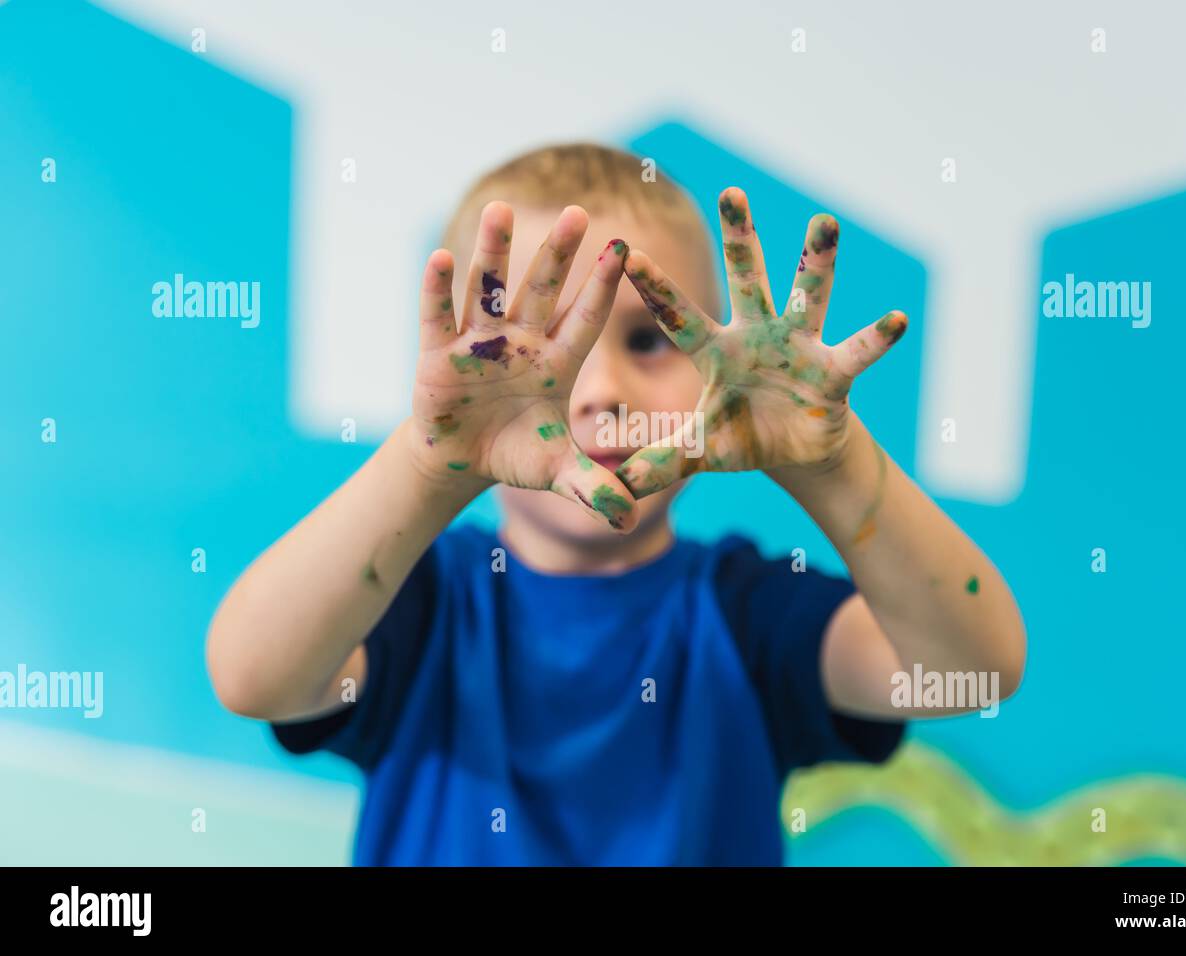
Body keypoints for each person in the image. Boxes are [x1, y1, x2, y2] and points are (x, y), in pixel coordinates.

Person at [206, 144, 1027, 865]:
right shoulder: (425, 605)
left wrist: (832, 460)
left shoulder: (748, 618)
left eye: (650, 339)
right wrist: (429, 464)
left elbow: (968, 675)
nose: (601, 391)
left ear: (714, 368)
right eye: (546, 354)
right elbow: (253, 677)